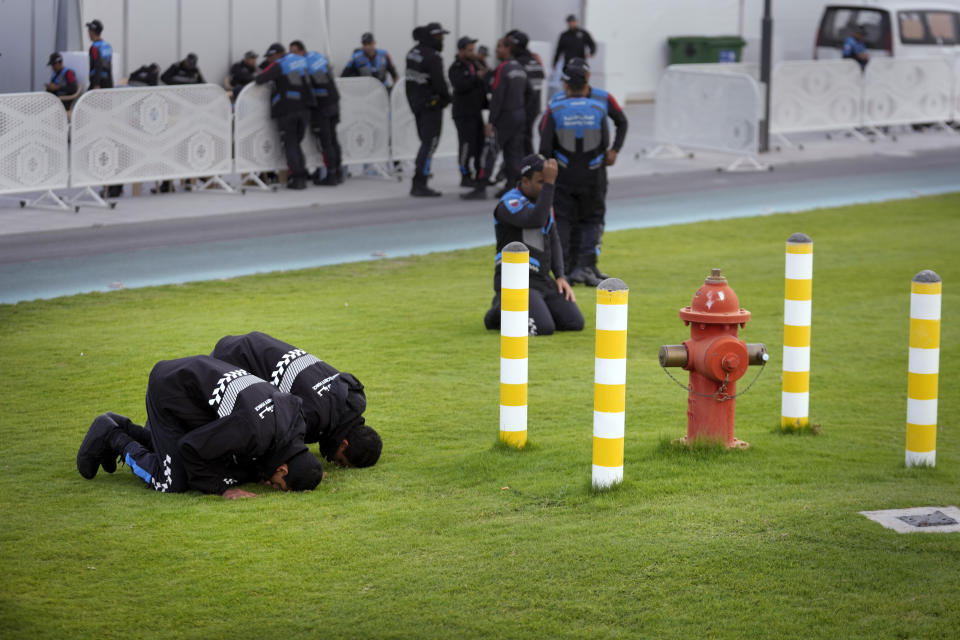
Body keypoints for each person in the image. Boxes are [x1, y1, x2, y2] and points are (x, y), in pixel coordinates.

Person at [76, 355, 325, 498]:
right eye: (278, 484)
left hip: (198, 384)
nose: (271, 486)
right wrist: (222, 490)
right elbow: (190, 448)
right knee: (172, 482)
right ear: (282, 469)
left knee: (227, 464)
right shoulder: (252, 432)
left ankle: (122, 427)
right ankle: (111, 434)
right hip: (171, 390)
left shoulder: (295, 423)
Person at [212, 332, 382, 468]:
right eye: (341, 462)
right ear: (343, 445)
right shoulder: (313, 416)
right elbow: (273, 436)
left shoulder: (352, 394)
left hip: (256, 343)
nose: (335, 463)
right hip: (236, 358)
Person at [539, 58, 627, 287]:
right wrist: (610, 151)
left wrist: (550, 168)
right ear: (587, 79)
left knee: (565, 221)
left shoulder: (555, 106)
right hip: (593, 173)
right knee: (593, 219)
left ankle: (568, 269)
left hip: (565, 174)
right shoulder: (600, 106)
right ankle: (585, 267)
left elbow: (544, 144)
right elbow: (608, 136)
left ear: (566, 84)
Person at [483, 154, 583, 336]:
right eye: (541, 182)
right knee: (543, 328)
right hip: (517, 281)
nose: (546, 187)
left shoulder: (543, 204)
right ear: (525, 181)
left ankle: (532, 308)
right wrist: (551, 184)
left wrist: (560, 276)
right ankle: (499, 311)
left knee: (574, 322)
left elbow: (553, 239)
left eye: (548, 182)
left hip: (542, 279)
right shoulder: (509, 203)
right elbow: (534, 220)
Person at [461, 37, 526, 201]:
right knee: (513, 153)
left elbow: (497, 96)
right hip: (519, 115)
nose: (496, 50)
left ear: (508, 49)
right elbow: (530, 93)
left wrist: (491, 121)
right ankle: (512, 187)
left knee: (489, 151)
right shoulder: (520, 68)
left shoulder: (502, 69)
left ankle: (480, 187)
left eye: (499, 47)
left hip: (504, 116)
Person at [256, 42, 315, 190]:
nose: (269, 59)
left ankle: (297, 179)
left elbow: (260, 79)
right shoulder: (302, 60)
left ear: (277, 54)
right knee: (296, 144)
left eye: (270, 56)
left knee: (290, 145)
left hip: (288, 110)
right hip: (305, 108)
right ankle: (301, 175)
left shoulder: (280, 64)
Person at [405, 23, 451, 197]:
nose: (442, 40)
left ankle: (421, 176)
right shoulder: (432, 56)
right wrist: (447, 98)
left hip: (416, 104)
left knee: (425, 142)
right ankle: (420, 181)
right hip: (430, 105)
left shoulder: (413, 53)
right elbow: (440, 84)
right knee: (429, 143)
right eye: (439, 37)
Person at [289, 40, 343, 187]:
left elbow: (300, 86)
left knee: (326, 142)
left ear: (301, 51)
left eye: (293, 53)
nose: (292, 56)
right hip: (334, 101)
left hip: (321, 106)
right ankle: (338, 172)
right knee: (333, 139)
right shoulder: (317, 56)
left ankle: (331, 175)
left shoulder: (302, 64)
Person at [449, 36, 488, 188]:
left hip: (476, 112)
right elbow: (459, 85)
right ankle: (465, 175)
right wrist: (476, 78)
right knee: (466, 145)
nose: (473, 53)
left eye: (473, 50)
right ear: (461, 51)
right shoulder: (455, 67)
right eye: (469, 50)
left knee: (480, 144)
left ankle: (480, 174)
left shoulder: (476, 64)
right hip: (463, 113)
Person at [506, 30, 545, 155]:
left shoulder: (518, 63)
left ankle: (529, 168)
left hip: (523, 107)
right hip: (534, 107)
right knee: (526, 137)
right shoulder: (535, 60)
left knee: (521, 139)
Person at [86, 19, 113, 90]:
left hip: (97, 82)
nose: (88, 33)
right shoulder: (107, 46)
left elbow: (98, 65)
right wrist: (111, 85)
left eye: (89, 31)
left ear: (92, 32)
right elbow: (109, 66)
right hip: (107, 82)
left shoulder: (95, 47)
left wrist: (96, 84)